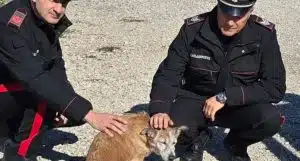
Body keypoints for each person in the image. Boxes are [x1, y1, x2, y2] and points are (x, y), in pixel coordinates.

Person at [148, 0, 286, 161]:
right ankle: (196, 138)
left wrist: (226, 97)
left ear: (250, 11)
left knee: (270, 119)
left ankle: (236, 144)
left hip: (237, 103)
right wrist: (159, 108)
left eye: (238, 16)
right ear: (218, 6)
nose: (230, 21)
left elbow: (275, 86)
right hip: (195, 99)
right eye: (226, 12)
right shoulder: (193, 29)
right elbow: (169, 73)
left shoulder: (263, 35)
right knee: (170, 145)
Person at [0, 0, 128, 160]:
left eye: (64, 3)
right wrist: (89, 115)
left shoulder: (41, 18)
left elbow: (55, 67)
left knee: (70, 112)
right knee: (41, 97)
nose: (59, 10)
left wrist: (67, 108)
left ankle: (8, 133)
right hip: (13, 86)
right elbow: (34, 78)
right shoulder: (11, 23)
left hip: (12, 87)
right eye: (54, 1)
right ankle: (19, 155)